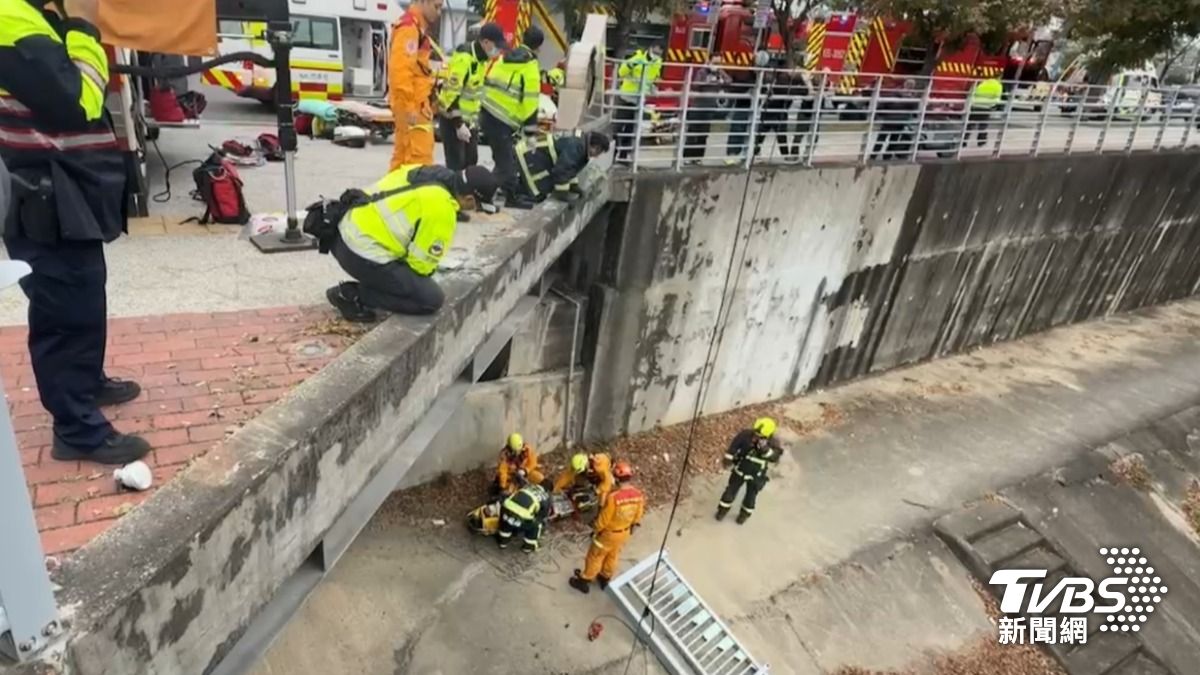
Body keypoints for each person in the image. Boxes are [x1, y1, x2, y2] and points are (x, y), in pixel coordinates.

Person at [1, 0, 150, 464]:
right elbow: (76, 103)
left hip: (61, 189)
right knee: (65, 307)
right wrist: (84, 26)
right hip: (42, 193)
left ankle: (85, 384)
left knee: (83, 293)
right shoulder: (10, 18)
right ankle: (76, 428)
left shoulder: (29, 16)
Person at [325, 164, 498, 322]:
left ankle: (370, 283)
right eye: (477, 206)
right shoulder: (442, 209)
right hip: (358, 252)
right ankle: (351, 295)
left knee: (406, 273)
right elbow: (420, 267)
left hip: (338, 231)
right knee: (430, 298)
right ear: (469, 199)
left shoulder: (424, 172)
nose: (475, 211)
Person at [480, 26, 541, 208]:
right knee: (506, 166)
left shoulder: (504, 57)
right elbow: (530, 102)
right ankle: (482, 195)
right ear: (539, 47)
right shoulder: (530, 66)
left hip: (487, 113)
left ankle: (510, 195)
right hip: (503, 120)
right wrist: (531, 134)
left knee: (504, 159)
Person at [569, 461, 644, 593]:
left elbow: (604, 519)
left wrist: (596, 530)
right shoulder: (638, 494)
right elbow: (638, 516)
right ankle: (605, 577)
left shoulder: (613, 498)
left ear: (616, 477)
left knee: (595, 556)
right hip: (624, 532)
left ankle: (584, 580)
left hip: (608, 534)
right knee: (613, 555)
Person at [438, 23, 502, 171]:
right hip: (453, 121)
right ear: (485, 42)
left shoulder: (481, 61)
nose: (498, 51)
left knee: (471, 163)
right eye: (496, 46)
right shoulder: (464, 59)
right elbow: (450, 97)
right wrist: (459, 125)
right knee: (457, 167)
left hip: (470, 122)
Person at [388, 0, 443, 169]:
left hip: (416, 106)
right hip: (412, 108)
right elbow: (401, 72)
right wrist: (410, 106)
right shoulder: (409, 28)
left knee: (405, 159)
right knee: (416, 163)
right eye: (436, 6)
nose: (439, 12)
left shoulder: (417, 28)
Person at [513, 130, 609, 205]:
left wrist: (574, 186)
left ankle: (515, 186)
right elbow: (562, 170)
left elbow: (571, 168)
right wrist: (563, 195)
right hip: (530, 153)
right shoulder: (577, 147)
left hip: (536, 151)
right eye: (598, 152)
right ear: (595, 146)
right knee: (538, 189)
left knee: (544, 184)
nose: (597, 155)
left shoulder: (581, 143)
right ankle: (515, 191)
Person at [716, 417, 783, 524]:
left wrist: (765, 450)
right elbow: (735, 445)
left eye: (759, 436)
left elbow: (775, 457)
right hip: (741, 469)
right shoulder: (746, 435)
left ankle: (744, 515)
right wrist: (728, 458)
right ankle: (722, 511)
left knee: (750, 497)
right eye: (755, 434)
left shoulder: (773, 443)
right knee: (730, 492)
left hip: (756, 475)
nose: (755, 437)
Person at [613, 43, 663, 162]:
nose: (657, 55)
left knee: (631, 129)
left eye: (659, 54)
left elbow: (652, 79)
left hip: (639, 101)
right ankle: (613, 153)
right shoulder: (637, 58)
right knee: (619, 127)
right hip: (626, 97)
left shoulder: (658, 63)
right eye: (655, 52)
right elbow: (621, 72)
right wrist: (630, 66)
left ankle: (624, 156)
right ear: (650, 49)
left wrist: (654, 89)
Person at [682, 55, 731, 163]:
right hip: (698, 107)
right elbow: (695, 85)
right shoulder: (702, 72)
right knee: (692, 133)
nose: (716, 66)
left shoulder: (720, 72)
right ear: (709, 61)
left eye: (719, 63)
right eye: (715, 63)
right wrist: (707, 81)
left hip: (710, 108)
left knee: (703, 134)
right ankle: (687, 158)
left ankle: (698, 157)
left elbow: (729, 81)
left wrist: (721, 77)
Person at [872, 78, 920, 161]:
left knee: (882, 139)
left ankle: (874, 156)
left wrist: (881, 114)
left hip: (891, 121)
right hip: (898, 122)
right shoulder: (911, 98)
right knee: (892, 140)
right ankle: (885, 156)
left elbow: (883, 105)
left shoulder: (895, 94)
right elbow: (914, 108)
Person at [497, 482, 549, 552]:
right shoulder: (544, 496)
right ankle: (528, 547)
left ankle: (503, 541)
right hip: (522, 519)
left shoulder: (527, 486)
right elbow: (542, 515)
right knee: (537, 525)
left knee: (507, 521)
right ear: (547, 490)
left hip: (506, 511)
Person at [491, 432, 544, 497]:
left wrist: (525, 470)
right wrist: (502, 487)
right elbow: (503, 473)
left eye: (519, 450)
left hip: (526, 473)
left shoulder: (527, 449)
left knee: (540, 478)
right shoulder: (504, 456)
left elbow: (533, 462)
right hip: (512, 477)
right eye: (515, 451)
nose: (518, 453)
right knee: (510, 494)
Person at [966, 76, 1003, 148]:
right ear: (999, 78)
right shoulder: (998, 85)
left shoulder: (982, 82)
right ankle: (981, 142)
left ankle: (964, 142)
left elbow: (973, 93)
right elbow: (997, 98)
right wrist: (992, 105)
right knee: (983, 126)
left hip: (975, 106)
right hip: (986, 107)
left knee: (970, 125)